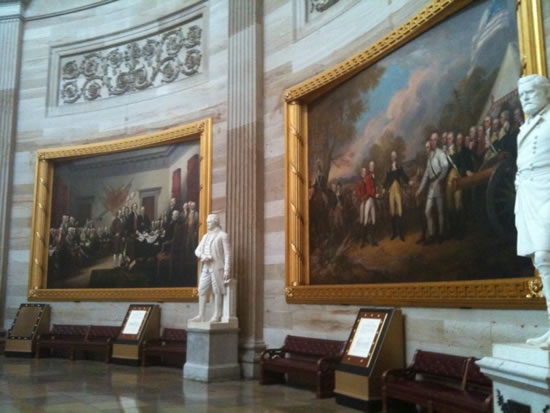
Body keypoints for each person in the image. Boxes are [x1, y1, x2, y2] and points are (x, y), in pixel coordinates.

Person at [515, 74, 550, 349]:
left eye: (530, 93)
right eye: (521, 94)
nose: (525, 98)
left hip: (547, 189)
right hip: (528, 194)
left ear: (546, 92)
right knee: (541, 261)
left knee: (544, 255)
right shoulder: (523, 128)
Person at [190, 214, 231, 323]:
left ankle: (217, 315)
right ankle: (201, 315)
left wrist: (227, 269)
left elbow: (227, 254)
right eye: (207, 222)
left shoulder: (223, 235)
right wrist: (203, 256)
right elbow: (197, 251)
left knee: (217, 291)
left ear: (215, 222)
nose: (207, 224)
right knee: (202, 290)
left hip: (217, 267)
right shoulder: (205, 236)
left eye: (209, 222)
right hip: (206, 267)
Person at [416, 133, 449, 244]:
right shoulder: (429, 158)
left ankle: (440, 235)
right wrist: (419, 190)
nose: (433, 142)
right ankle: (431, 235)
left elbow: (445, 167)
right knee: (427, 211)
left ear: (437, 141)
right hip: (431, 187)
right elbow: (426, 175)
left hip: (438, 184)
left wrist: (440, 180)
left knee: (440, 211)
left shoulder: (440, 153)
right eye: (432, 140)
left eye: (435, 140)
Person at [384, 151, 409, 241]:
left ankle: (401, 234)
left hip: (398, 190)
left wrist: (408, 181)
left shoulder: (399, 167)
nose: (392, 157)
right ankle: (394, 233)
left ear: (396, 157)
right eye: (391, 156)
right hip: (391, 191)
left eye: (394, 156)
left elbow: (403, 175)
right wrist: (384, 187)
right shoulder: (389, 168)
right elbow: (386, 179)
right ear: (390, 157)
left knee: (400, 211)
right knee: (392, 212)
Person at [355, 162, 378, 247]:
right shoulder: (363, 181)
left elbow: (372, 188)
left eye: (365, 172)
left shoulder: (371, 177)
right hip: (365, 200)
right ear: (361, 174)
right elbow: (359, 191)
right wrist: (362, 197)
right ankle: (363, 241)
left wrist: (375, 192)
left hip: (371, 199)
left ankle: (373, 240)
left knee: (373, 220)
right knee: (364, 220)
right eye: (363, 172)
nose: (364, 173)